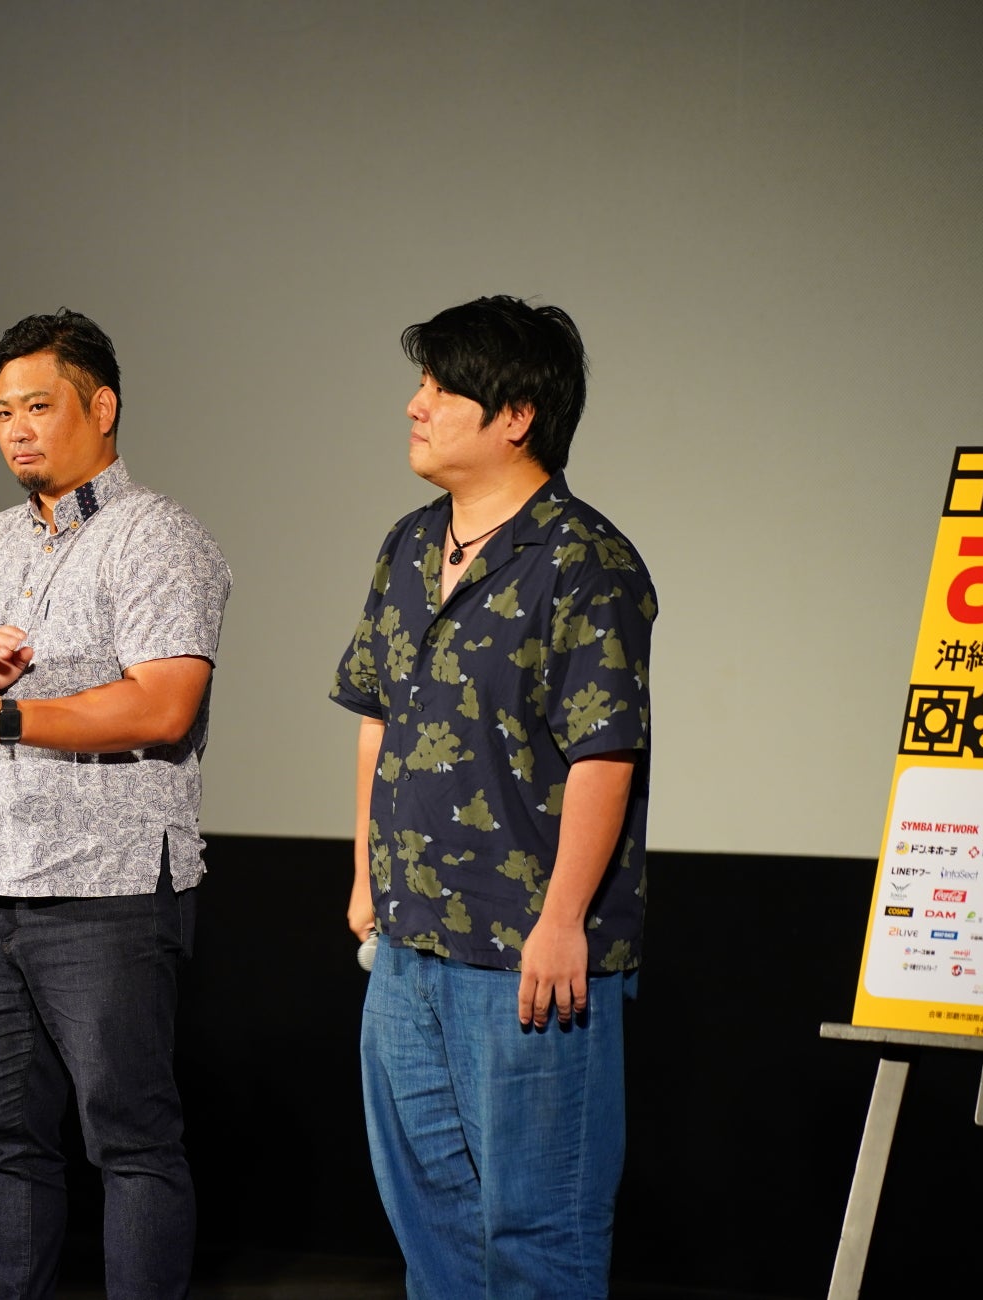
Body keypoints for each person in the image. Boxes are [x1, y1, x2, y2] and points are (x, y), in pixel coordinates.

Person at [0, 309, 231, 1299]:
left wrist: (2, 716)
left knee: (130, 1139)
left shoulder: (156, 536)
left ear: (102, 406)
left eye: (38, 406)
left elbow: (164, 704)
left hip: (107, 889)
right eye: (3, 412)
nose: (17, 429)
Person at [329, 295, 655, 1298]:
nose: (416, 405)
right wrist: (365, 876)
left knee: (536, 1237)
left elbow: (604, 751)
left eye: (441, 387)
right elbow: (377, 716)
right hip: (407, 947)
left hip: (525, 958)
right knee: (430, 1225)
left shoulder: (585, 561)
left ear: (515, 414)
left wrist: (563, 921)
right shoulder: (407, 545)